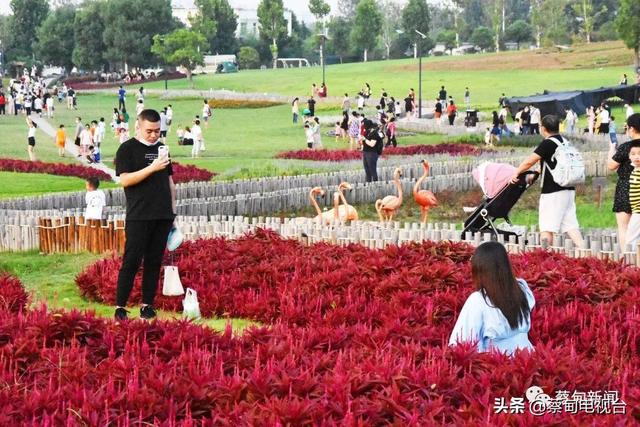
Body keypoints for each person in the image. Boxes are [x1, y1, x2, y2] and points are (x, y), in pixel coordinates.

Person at [114, 109, 176, 321]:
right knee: (131, 261)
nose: (153, 135)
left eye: (157, 131)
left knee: (154, 261)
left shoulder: (162, 149)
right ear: (138, 127)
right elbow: (125, 180)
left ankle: (147, 305)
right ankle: (120, 307)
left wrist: (173, 211)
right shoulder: (127, 149)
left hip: (163, 215)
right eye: (149, 131)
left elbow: (169, 182)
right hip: (139, 215)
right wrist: (152, 167)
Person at [510, 114, 585, 248]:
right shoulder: (564, 141)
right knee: (571, 225)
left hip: (553, 192)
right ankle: (584, 250)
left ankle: (544, 254)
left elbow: (529, 161)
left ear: (543, 128)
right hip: (568, 189)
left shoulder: (548, 143)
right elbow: (550, 163)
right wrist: (537, 173)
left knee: (546, 227)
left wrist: (516, 172)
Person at [449, 241, 535, 356]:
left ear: (479, 270)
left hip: (497, 362)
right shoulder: (521, 288)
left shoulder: (478, 300)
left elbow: (463, 342)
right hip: (527, 358)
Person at [608, 113, 640, 251]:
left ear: (632, 128)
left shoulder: (626, 147)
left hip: (625, 188)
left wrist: (611, 149)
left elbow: (611, 166)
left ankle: (627, 258)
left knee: (624, 227)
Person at [624, 141, 640, 250]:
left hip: (638, 211)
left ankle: (629, 258)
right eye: (633, 154)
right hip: (635, 210)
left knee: (630, 239)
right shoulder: (634, 170)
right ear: (629, 156)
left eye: (639, 153)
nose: (636, 156)